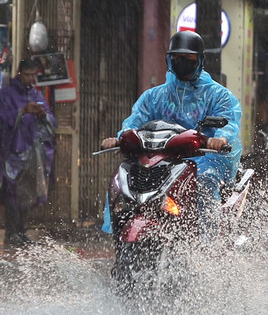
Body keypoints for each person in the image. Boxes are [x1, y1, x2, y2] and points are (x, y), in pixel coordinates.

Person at [100, 29, 242, 231]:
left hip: (206, 158)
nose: (181, 61)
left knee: (203, 182)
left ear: (199, 60)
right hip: (163, 159)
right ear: (168, 60)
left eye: (188, 58)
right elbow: (135, 120)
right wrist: (120, 138)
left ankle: (208, 241)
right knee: (126, 179)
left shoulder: (218, 95)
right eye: (176, 57)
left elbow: (228, 121)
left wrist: (219, 139)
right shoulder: (154, 97)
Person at [0, 58, 56, 247]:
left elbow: (50, 120)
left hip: (32, 152)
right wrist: (21, 112)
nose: (30, 79)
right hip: (13, 153)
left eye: (33, 75)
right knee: (12, 193)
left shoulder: (37, 95)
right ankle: (11, 233)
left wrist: (42, 114)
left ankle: (21, 231)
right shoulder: (7, 95)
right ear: (20, 73)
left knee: (28, 193)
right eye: (27, 75)